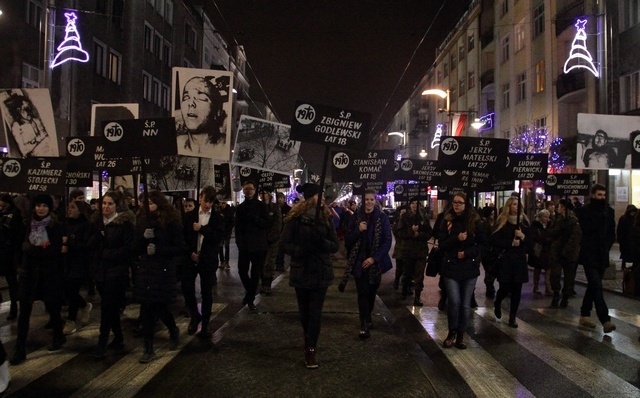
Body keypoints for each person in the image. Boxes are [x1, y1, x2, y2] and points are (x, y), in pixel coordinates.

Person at [280, 183, 338, 369]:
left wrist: (320, 242)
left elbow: (334, 245)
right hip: (302, 269)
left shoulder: (326, 216)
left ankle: (310, 349)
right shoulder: (296, 218)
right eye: (318, 195)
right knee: (305, 313)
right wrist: (300, 250)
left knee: (315, 313)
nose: (322, 198)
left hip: (320, 270)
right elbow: (284, 244)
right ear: (311, 197)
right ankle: (308, 336)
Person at [11, 195, 66, 365]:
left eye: (44, 206)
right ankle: (19, 349)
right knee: (24, 313)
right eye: (37, 205)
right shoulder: (26, 225)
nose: (40, 209)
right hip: (29, 274)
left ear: (50, 208)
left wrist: (32, 249)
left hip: (48, 274)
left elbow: (54, 251)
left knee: (52, 308)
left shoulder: (55, 226)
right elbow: (15, 243)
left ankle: (58, 335)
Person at [134, 191, 186, 362]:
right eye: (145, 203)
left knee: (160, 307)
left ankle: (173, 329)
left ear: (159, 203)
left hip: (162, 270)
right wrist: (143, 238)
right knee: (147, 308)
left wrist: (159, 250)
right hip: (146, 270)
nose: (147, 206)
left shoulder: (170, 222)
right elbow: (134, 246)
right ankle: (148, 348)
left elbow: (179, 247)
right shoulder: (141, 220)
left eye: (151, 202)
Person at [339, 188, 393, 339]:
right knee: (362, 293)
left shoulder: (382, 218)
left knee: (371, 293)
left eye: (371, 199)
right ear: (362, 201)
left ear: (375, 201)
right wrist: (358, 230)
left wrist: (374, 258)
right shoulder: (355, 217)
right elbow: (348, 240)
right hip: (359, 262)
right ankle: (363, 323)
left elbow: (387, 241)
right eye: (366, 199)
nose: (369, 202)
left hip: (374, 263)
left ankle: (367, 316)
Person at [88, 191, 136, 358]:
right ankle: (119, 337)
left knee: (107, 307)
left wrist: (109, 254)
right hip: (100, 271)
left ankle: (102, 343)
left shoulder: (124, 225)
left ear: (116, 206)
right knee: (112, 307)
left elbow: (129, 248)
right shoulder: (97, 224)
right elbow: (90, 246)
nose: (105, 206)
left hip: (116, 272)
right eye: (104, 203)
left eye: (109, 204)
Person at [437, 193, 485, 349]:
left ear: (466, 204)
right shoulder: (447, 220)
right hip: (451, 267)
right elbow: (442, 243)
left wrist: (467, 253)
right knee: (454, 302)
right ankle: (452, 332)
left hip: (469, 268)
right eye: (454, 202)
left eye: (460, 202)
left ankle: (461, 334)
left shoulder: (474, 221)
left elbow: (482, 244)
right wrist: (457, 239)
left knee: (465, 304)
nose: (456, 205)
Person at [182, 186, 223, 337]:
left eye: (210, 202)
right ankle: (194, 314)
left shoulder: (217, 218)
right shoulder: (189, 216)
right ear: (200, 198)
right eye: (206, 201)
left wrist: (202, 229)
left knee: (207, 292)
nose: (207, 205)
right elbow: (183, 237)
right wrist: (190, 252)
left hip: (207, 259)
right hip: (191, 258)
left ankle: (205, 324)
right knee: (187, 288)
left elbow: (217, 237)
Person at [576, 184, 616, 333]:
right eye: (599, 195)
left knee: (593, 286)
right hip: (589, 254)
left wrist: (607, 245)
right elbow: (587, 228)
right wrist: (600, 217)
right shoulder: (585, 211)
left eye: (604, 195)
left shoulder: (609, 212)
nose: (602, 198)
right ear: (593, 195)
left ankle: (585, 314)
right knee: (597, 285)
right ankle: (605, 320)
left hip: (602, 254)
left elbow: (611, 231)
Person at [491, 197, 530, 329]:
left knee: (517, 290)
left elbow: (531, 242)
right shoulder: (502, 221)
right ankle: (498, 302)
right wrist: (510, 243)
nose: (516, 207)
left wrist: (523, 237)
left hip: (519, 261)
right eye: (514, 204)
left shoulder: (524, 222)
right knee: (505, 287)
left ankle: (512, 316)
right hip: (506, 261)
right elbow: (494, 240)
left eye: (518, 205)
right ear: (509, 206)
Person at [235, 180, 270, 311]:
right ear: (243, 190)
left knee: (255, 273)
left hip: (258, 245)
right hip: (245, 246)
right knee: (242, 271)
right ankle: (250, 292)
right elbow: (238, 227)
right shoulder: (240, 208)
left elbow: (266, 223)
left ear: (254, 190)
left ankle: (250, 299)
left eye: (251, 188)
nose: (248, 191)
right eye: (246, 188)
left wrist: (254, 218)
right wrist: (239, 243)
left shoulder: (261, 206)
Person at [62, 200, 94, 335]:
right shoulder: (66, 223)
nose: (69, 210)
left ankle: (71, 321)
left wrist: (69, 243)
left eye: (73, 207)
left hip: (79, 263)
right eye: (69, 207)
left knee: (72, 291)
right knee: (68, 291)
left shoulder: (86, 225)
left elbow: (87, 245)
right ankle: (84, 305)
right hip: (66, 262)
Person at [175, 76, 227, 157]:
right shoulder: (176, 144)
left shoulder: (226, 147)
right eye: (186, 97)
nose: (191, 103)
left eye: (201, 98)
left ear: (217, 111)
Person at [394, 198, 432, 306]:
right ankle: (404, 290)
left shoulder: (424, 217)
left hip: (421, 252)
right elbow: (399, 232)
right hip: (408, 251)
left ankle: (417, 297)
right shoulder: (405, 217)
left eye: (417, 203)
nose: (415, 205)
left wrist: (418, 235)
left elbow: (429, 233)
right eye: (413, 203)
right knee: (407, 273)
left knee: (419, 276)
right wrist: (411, 232)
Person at [548, 199, 582, 308]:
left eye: (560, 207)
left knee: (569, 277)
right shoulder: (557, 219)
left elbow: (575, 238)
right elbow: (551, 232)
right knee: (555, 275)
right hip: (556, 252)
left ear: (564, 208)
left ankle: (565, 297)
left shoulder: (573, 220)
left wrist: (566, 251)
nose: (558, 208)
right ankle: (556, 294)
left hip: (569, 253)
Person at [0, 194, 24, 320]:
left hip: (9, 254)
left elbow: (16, 236)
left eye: (3, 204)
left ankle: (14, 306)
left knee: (12, 282)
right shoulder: (3, 215)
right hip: (3, 252)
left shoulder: (14, 215)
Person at [259, 188, 282, 296]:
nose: (262, 195)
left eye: (264, 193)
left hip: (272, 240)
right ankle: (263, 284)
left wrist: (272, 237)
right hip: (261, 240)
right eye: (260, 194)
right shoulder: (258, 207)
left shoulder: (275, 207)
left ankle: (267, 285)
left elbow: (278, 224)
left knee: (269, 262)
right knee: (261, 263)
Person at [529, 209, 553, 296]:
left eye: (548, 217)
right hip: (539, 250)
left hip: (548, 250)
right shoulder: (535, 226)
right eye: (545, 217)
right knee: (537, 269)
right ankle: (536, 287)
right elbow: (534, 237)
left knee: (548, 269)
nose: (547, 219)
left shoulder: (550, 225)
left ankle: (548, 287)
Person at [617, 205, 637, 270]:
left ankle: (634, 265)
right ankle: (623, 265)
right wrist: (620, 239)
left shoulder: (635, 219)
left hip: (632, 239)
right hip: (625, 239)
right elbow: (619, 229)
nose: (632, 213)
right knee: (625, 253)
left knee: (634, 253)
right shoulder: (623, 219)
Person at [275, 192, 291, 271]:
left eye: (281, 198)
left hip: (284, 232)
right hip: (275, 232)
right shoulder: (274, 208)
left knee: (281, 250)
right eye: (278, 198)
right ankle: (276, 264)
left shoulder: (288, 209)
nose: (280, 200)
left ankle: (280, 265)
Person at [218, 201, 235, 270]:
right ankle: (222, 261)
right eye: (221, 203)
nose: (222, 205)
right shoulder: (219, 211)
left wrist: (229, 228)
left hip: (227, 231)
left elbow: (232, 221)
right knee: (220, 246)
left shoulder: (229, 211)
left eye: (223, 203)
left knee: (227, 246)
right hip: (221, 232)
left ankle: (227, 261)